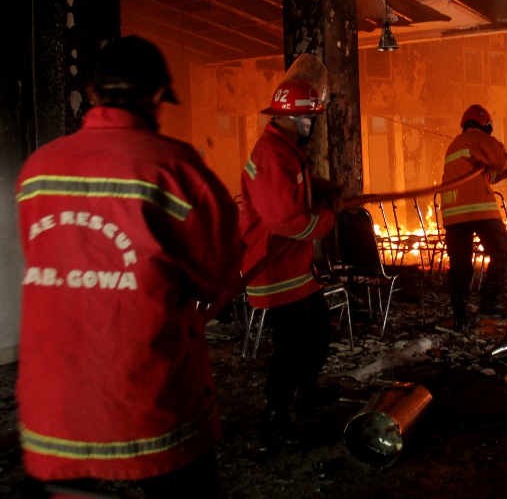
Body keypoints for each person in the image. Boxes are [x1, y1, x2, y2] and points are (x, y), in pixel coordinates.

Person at [15, 36, 242, 498]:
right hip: (148, 403)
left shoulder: (37, 170)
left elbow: (46, 259)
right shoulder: (175, 169)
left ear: (94, 92)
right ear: (158, 96)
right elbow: (217, 274)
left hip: (52, 405)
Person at [238, 54, 339, 446]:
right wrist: (329, 218)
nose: (312, 124)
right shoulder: (272, 154)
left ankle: (308, 396)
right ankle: (274, 421)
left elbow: (291, 186)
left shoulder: (283, 150)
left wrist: (321, 185)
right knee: (293, 349)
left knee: (318, 338)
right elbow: (287, 220)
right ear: (298, 118)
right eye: (311, 118)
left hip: (295, 271)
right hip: (275, 271)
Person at [439, 104, 507, 332]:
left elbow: (485, 174)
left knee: (461, 266)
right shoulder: (477, 138)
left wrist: (504, 171)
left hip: (453, 213)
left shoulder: (455, 145)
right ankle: (488, 302)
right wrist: (505, 161)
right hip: (478, 209)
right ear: (485, 125)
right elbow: (496, 157)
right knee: (502, 251)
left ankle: (460, 317)